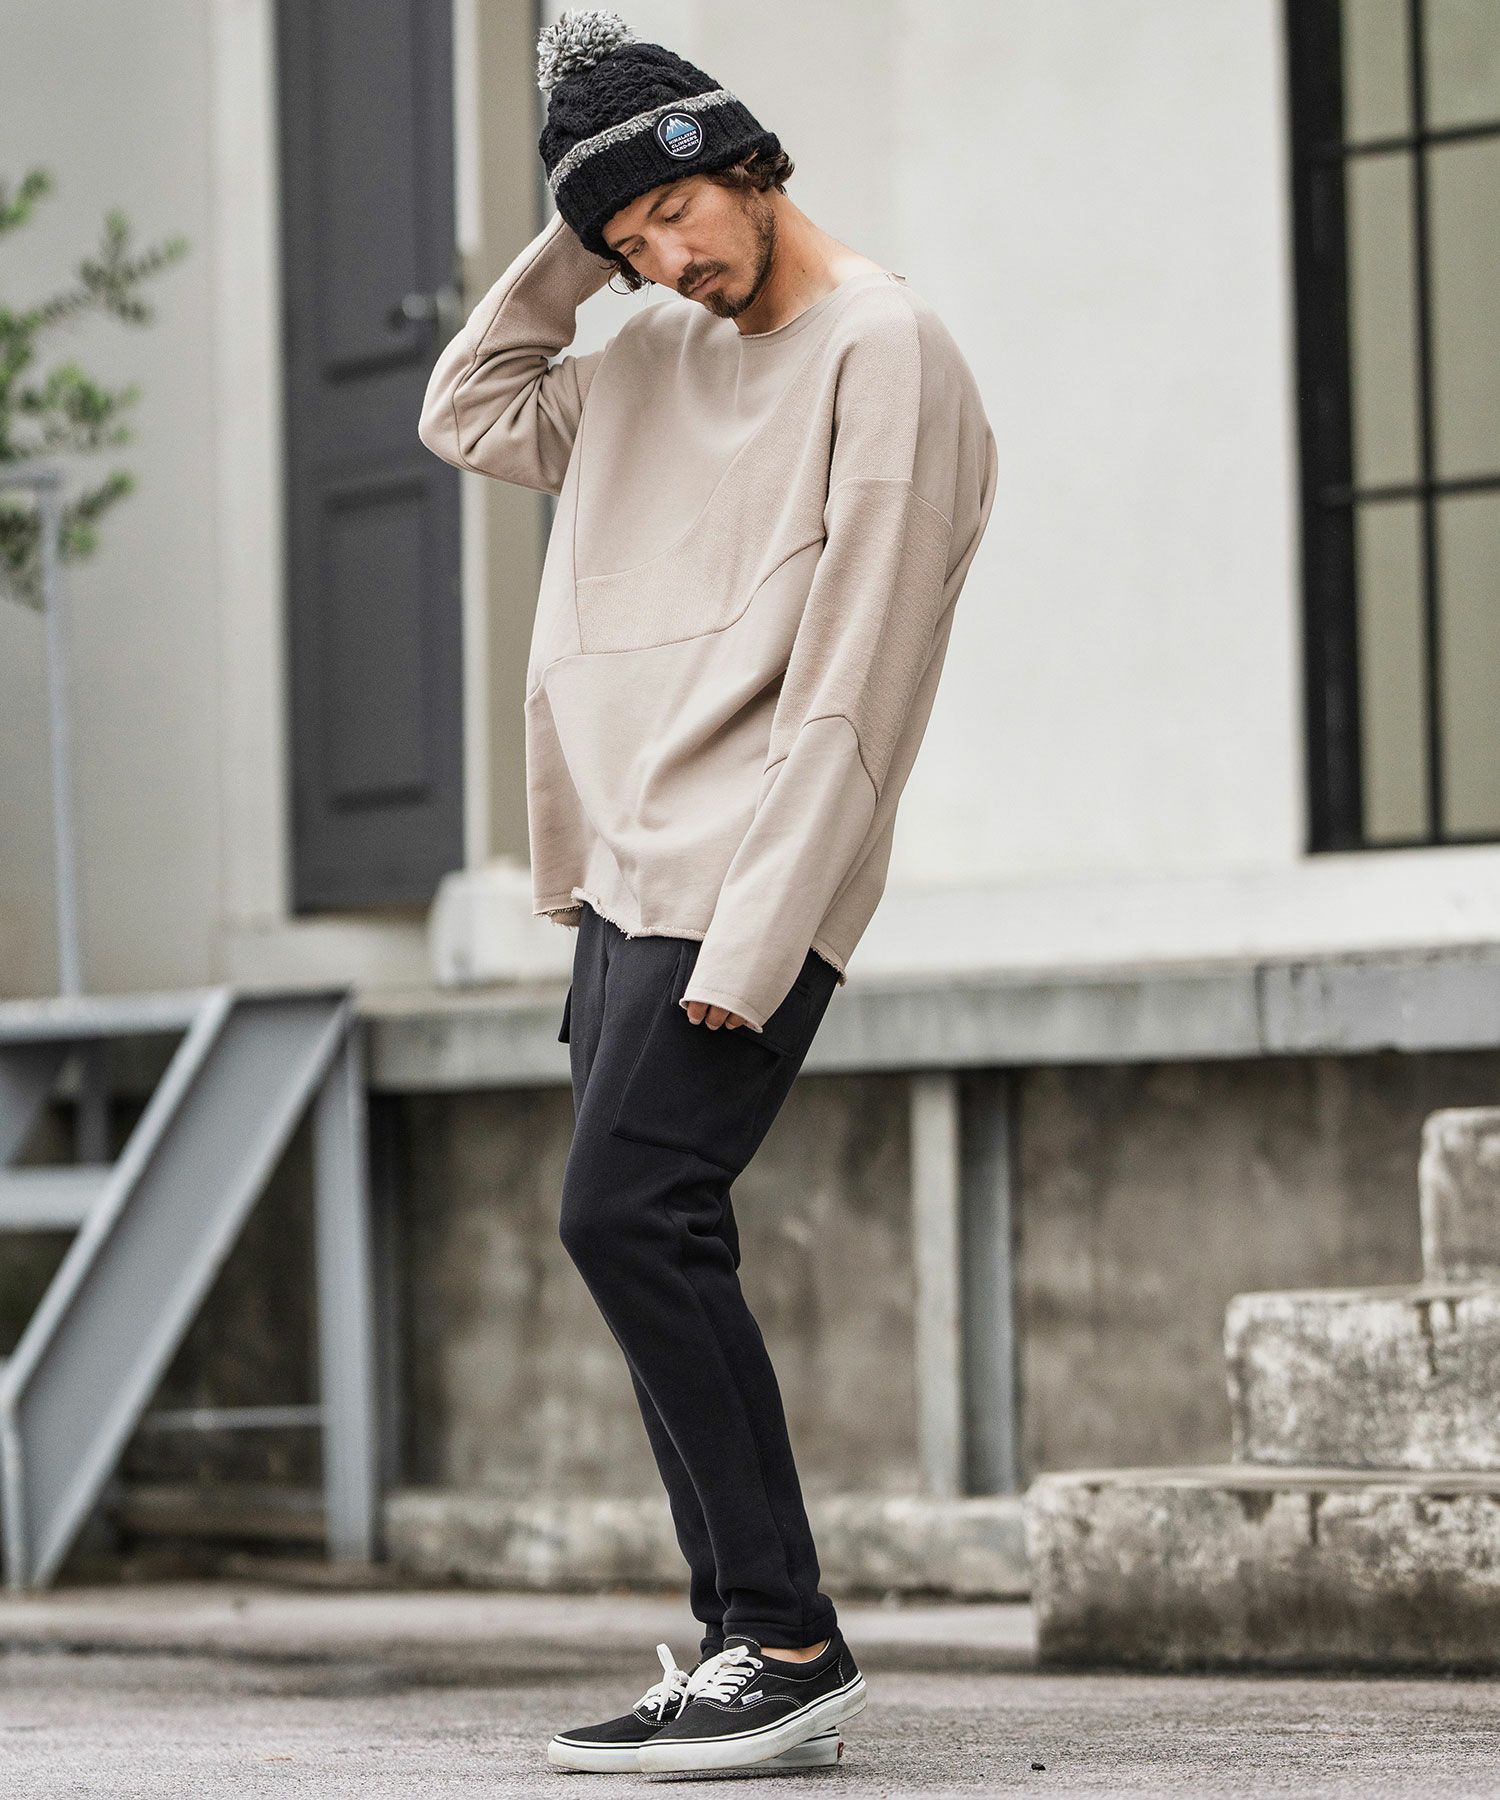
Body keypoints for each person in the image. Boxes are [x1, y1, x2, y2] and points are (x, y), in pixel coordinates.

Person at [417, 6, 997, 1775]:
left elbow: (860, 673)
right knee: (650, 1234)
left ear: (742, 161)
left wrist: (768, 928)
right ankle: (752, 1643)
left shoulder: (885, 349)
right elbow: (468, 410)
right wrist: (582, 225)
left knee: (625, 1217)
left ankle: (788, 1639)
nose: (665, 264)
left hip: (747, 874)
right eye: (627, 247)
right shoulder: (650, 352)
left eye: (672, 214)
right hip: (626, 873)